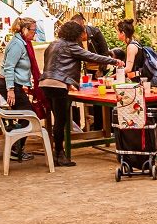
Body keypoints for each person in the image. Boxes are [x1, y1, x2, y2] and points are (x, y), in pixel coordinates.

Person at [39, 21, 125, 167]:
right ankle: (59, 154)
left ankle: (57, 153)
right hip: (58, 85)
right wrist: (114, 61)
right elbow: (92, 56)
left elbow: (52, 65)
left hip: (45, 83)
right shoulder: (71, 46)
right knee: (61, 122)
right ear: (76, 34)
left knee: (58, 121)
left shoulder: (52, 45)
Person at [0, 17, 38, 162]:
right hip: (7, 83)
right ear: (24, 30)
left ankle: (15, 144)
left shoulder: (22, 43)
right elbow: (9, 67)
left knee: (24, 114)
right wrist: (10, 90)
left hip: (13, 83)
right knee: (28, 114)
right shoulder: (17, 45)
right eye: (33, 30)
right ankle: (15, 148)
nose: (35, 33)